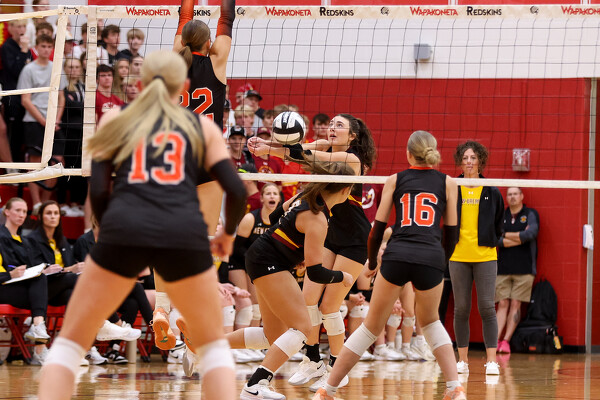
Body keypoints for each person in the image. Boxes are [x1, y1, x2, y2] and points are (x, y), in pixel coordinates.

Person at [37, 50, 246, 400]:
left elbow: (98, 190)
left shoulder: (114, 118)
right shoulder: (202, 127)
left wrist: (110, 235)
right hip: (183, 231)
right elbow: (237, 190)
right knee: (213, 348)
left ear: (142, 83)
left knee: (70, 342)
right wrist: (226, 235)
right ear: (183, 87)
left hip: (125, 226)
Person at [313, 130, 465, 400]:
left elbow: (376, 231)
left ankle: (328, 389)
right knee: (431, 322)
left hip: (397, 254)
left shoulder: (395, 179)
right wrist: (440, 262)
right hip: (430, 255)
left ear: (408, 154)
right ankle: (455, 388)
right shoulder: (449, 183)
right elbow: (453, 233)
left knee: (370, 327)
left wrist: (372, 262)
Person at [249, 113, 376, 391]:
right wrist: (266, 146)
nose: (332, 128)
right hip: (328, 231)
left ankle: (337, 365)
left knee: (329, 306)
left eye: (339, 125)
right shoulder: (323, 146)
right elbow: (300, 151)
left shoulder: (352, 159)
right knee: (307, 300)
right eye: (331, 124)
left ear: (352, 136)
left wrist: (281, 149)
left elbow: (307, 156)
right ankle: (313, 359)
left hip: (354, 238)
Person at [214, 161, 356, 400]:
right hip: (269, 262)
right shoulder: (317, 217)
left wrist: (292, 250)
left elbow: (275, 217)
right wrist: (343, 276)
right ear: (346, 189)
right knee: (302, 327)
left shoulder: (304, 198)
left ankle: (205, 344)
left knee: (273, 335)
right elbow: (316, 273)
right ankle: (255, 385)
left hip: (263, 258)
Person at [148, 0, 237, 352]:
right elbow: (227, 17)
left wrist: (188, 10)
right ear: (208, 44)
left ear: (183, 41)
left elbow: (184, 17)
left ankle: (161, 307)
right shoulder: (217, 62)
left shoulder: (172, 64)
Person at [449, 140, 504, 376]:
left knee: (487, 307)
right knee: (461, 308)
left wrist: (491, 240)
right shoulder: (452, 187)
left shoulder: (491, 190)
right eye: (465, 158)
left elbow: (499, 222)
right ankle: (462, 361)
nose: (469, 162)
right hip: (458, 255)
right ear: (460, 162)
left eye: (473, 157)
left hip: (485, 256)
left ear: (480, 161)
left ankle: (491, 361)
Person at [0, 197, 51, 365]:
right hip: (3, 286)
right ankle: (39, 344)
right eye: (18, 210)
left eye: (24, 211)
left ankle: (37, 326)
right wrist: (11, 275)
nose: (22, 215)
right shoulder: (2, 237)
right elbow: (10, 271)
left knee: (57, 282)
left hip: (18, 286)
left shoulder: (25, 241)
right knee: (41, 291)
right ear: (6, 212)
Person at [18, 34, 65, 211]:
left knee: (58, 162)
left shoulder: (56, 68)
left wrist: (56, 119)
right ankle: (36, 203)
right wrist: (44, 121)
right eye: (43, 46)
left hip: (54, 122)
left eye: (49, 46)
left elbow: (61, 97)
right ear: (36, 48)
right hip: (34, 121)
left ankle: (46, 202)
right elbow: (25, 100)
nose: (46, 49)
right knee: (36, 162)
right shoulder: (28, 69)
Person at [229, 182, 281, 327]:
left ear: (279, 199)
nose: (272, 196)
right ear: (262, 198)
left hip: (258, 263)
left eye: (275, 193)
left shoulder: (280, 221)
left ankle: (254, 340)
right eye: (268, 193)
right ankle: (236, 337)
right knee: (245, 302)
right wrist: (256, 259)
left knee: (257, 307)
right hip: (238, 260)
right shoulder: (251, 218)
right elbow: (236, 247)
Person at [496, 187, 539, 354]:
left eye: (515, 194)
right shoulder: (501, 215)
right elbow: (495, 238)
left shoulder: (530, 214)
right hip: (503, 268)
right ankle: (495, 341)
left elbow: (531, 234)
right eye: (509, 194)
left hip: (525, 268)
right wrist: (520, 237)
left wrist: (506, 235)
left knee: (515, 303)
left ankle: (506, 342)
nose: (512, 197)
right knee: (502, 304)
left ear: (522, 196)